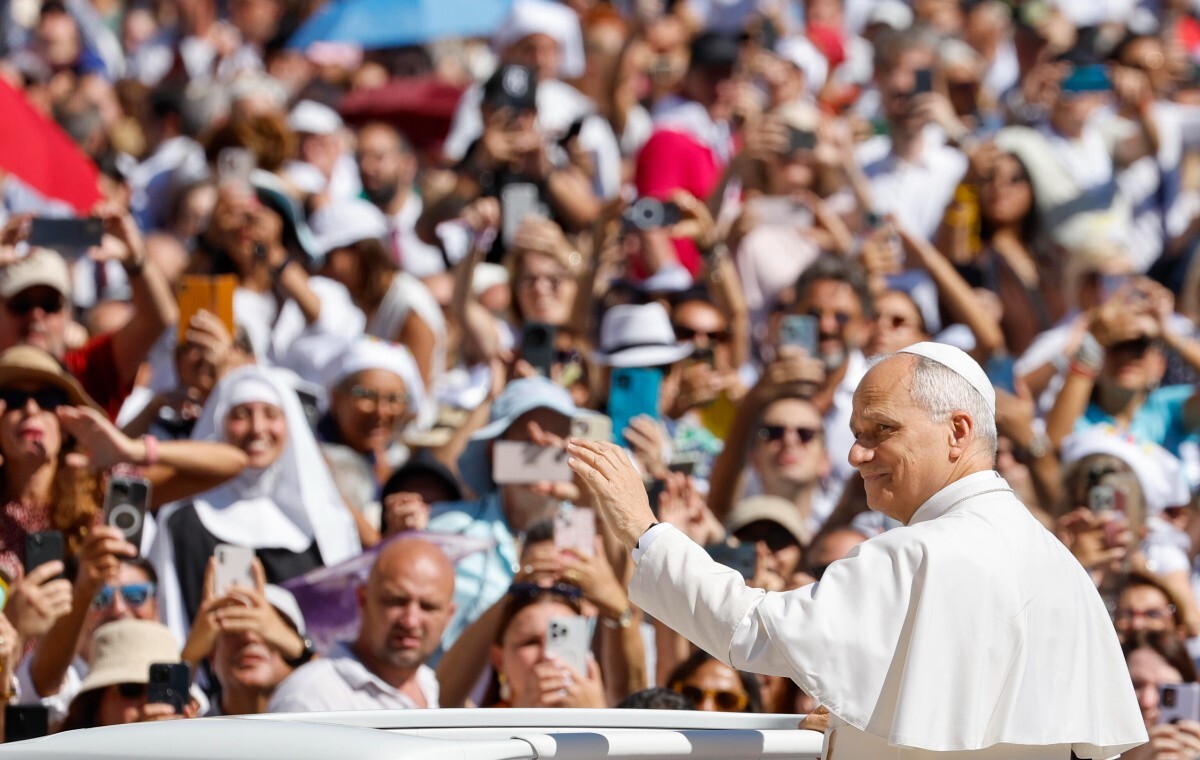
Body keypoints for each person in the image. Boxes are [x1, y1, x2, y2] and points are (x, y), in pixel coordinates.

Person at [568, 341, 1145, 759]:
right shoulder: (1061, 565)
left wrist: (644, 530)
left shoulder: (920, 552)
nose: (856, 456)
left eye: (880, 431)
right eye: (855, 434)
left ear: (959, 431)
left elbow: (751, 631)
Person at [150, 365, 361, 640]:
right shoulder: (180, 522)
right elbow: (167, 625)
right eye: (241, 415)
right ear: (219, 425)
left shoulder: (327, 521)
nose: (257, 428)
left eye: (271, 414)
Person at [266, 537, 455, 712]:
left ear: (449, 615)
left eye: (428, 607)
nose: (411, 620)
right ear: (362, 599)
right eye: (396, 601)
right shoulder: (310, 698)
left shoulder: (428, 683)